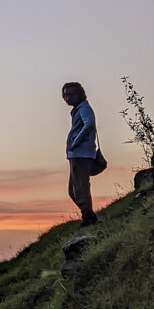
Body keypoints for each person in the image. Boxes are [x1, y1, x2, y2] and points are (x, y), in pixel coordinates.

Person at [62, 81, 98, 226]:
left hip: (81, 154)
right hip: (76, 154)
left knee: (80, 188)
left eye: (71, 94)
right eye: (65, 95)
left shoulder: (84, 108)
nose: (67, 98)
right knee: (73, 190)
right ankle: (89, 215)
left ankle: (89, 218)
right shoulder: (79, 109)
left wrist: (76, 141)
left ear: (79, 94)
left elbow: (89, 124)